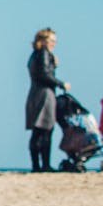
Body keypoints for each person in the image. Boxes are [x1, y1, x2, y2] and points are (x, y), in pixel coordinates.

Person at [25, 28, 69, 172]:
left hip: (35, 93)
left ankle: (37, 165)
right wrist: (61, 83)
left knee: (38, 131)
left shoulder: (34, 55)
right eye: (52, 40)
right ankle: (44, 165)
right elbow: (44, 74)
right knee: (45, 130)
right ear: (43, 40)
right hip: (44, 94)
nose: (54, 44)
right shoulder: (44, 53)